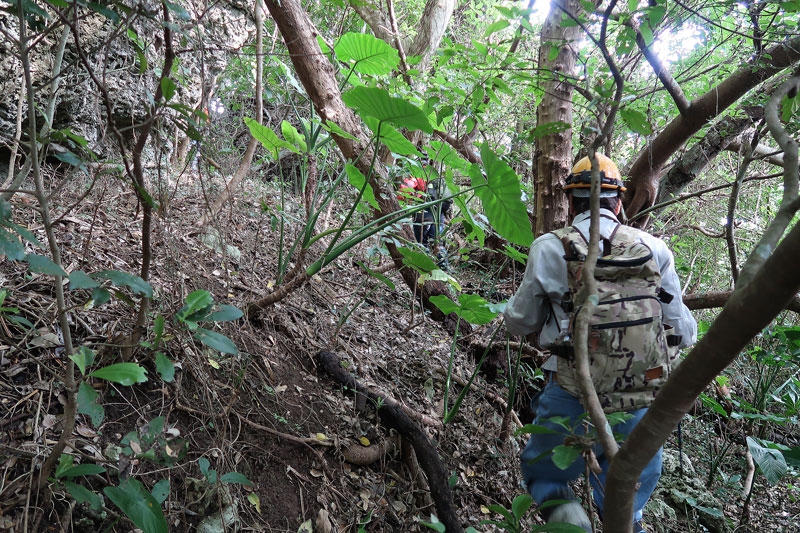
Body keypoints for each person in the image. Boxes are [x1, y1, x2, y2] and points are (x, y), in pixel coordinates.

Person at [503, 154, 697, 532]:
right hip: (640, 398)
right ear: (620, 201)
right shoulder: (653, 248)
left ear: (571, 202)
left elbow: (518, 322)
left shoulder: (549, 247)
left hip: (572, 389)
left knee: (544, 474)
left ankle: (574, 527)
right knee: (625, 497)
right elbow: (685, 332)